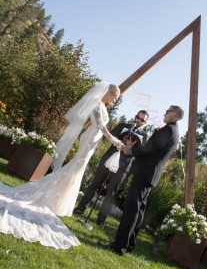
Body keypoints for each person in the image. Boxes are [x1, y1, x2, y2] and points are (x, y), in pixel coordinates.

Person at [0, 82, 123, 249]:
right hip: (88, 140)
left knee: (75, 170)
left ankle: (60, 200)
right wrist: (115, 141)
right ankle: (54, 198)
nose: (114, 101)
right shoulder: (96, 104)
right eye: (114, 97)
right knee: (74, 169)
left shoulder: (103, 106)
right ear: (107, 92)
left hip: (92, 142)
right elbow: (101, 126)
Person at [99, 105, 184, 255]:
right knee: (138, 211)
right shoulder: (174, 132)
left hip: (144, 173)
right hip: (150, 175)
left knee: (131, 211)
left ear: (174, 114)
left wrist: (131, 150)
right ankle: (130, 244)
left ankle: (119, 246)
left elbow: (150, 148)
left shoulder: (168, 130)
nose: (164, 113)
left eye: (167, 111)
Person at [73, 110, 148, 228]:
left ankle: (100, 220)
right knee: (95, 184)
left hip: (123, 165)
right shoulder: (124, 125)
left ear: (145, 122)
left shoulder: (144, 136)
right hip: (108, 158)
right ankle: (80, 208)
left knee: (111, 193)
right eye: (138, 117)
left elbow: (140, 152)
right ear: (135, 116)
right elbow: (110, 135)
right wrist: (119, 142)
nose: (139, 120)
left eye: (142, 119)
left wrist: (130, 147)